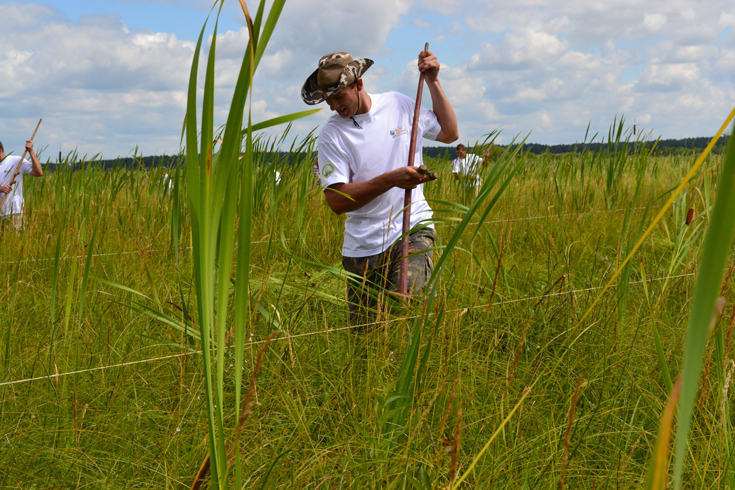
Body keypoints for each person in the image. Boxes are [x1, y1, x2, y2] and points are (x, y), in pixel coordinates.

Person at [301, 50, 458, 323]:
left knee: (403, 306)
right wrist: (390, 180)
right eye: (328, 99)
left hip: (412, 226)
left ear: (359, 84)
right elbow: (336, 201)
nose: (333, 106)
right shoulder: (332, 134)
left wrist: (433, 81)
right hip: (364, 244)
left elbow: (449, 133)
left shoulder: (398, 104)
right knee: (366, 334)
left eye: (339, 96)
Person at [0, 140, 43, 229]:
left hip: (14, 212)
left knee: (15, 237)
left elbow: (38, 172)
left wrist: (31, 151)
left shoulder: (16, 161)